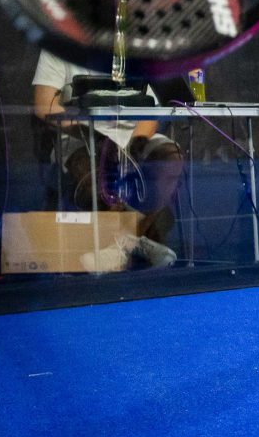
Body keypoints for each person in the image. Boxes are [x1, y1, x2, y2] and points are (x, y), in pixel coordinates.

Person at [30, 50, 184, 272]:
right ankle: (131, 243)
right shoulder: (58, 44)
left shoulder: (135, 44)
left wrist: (133, 148)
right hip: (81, 136)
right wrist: (97, 138)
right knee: (94, 172)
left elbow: (150, 112)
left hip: (131, 137)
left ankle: (122, 245)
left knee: (168, 156)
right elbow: (44, 104)